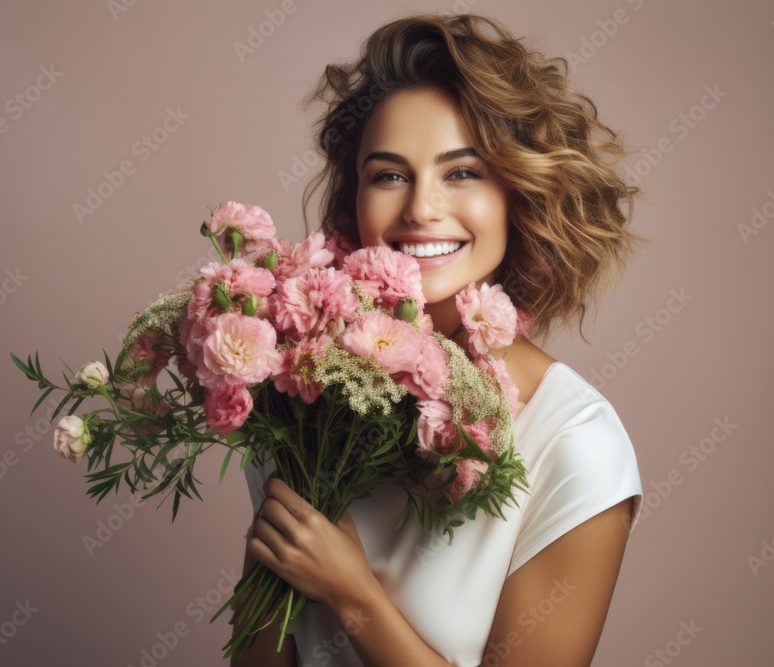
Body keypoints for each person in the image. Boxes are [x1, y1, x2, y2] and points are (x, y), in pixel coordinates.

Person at [231, 13, 647, 667]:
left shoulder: (575, 446)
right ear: (357, 197)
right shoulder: (303, 399)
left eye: (462, 172)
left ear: (518, 192)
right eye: (390, 175)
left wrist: (351, 594)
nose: (421, 207)